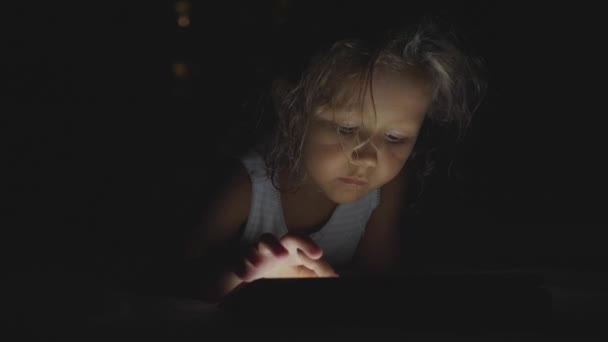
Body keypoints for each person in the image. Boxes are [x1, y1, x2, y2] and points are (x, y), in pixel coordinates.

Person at [182, 17, 486, 303]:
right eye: (347, 129)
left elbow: (379, 278)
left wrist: (328, 286)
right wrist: (243, 278)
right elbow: (177, 278)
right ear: (291, 109)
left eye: (394, 138)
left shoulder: (383, 190)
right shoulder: (246, 186)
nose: (367, 159)